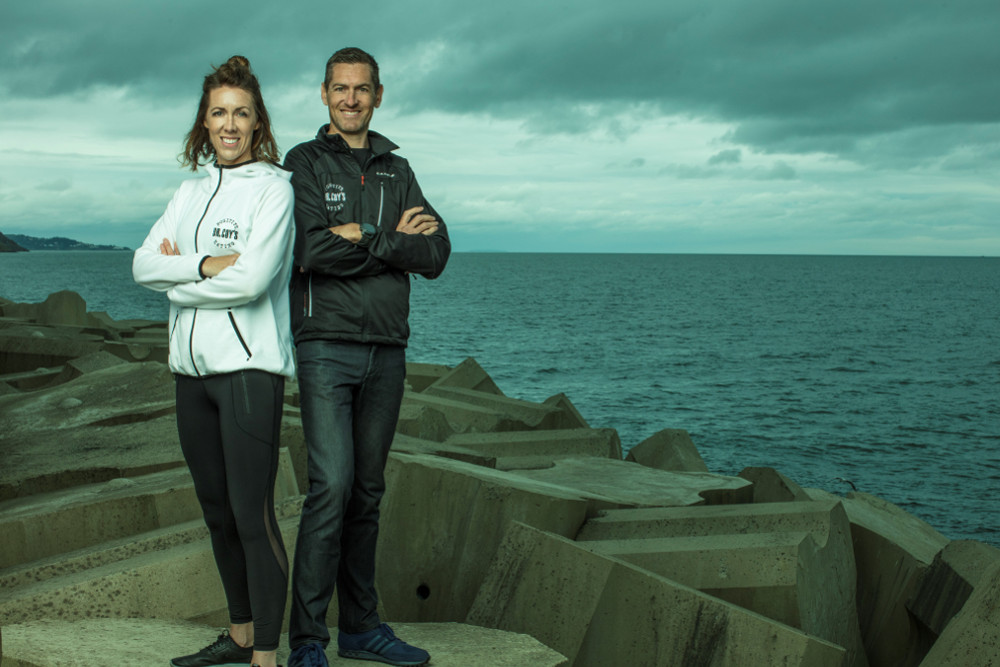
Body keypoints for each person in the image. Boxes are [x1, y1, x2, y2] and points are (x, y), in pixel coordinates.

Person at [284, 47, 450, 667]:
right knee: (331, 487)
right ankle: (307, 639)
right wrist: (396, 243)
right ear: (324, 94)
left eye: (362, 89)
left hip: (387, 350)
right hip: (324, 347)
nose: (351, 99)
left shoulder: (397, 169)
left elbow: (437, 255)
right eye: (340, 88)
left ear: (379, 95)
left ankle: (360, 628)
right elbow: (310, 253)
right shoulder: (302, 162)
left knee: (369, 492)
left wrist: (365, 236)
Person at [132, 55, 295, 667]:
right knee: (217, 513)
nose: (230, 125)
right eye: (219, 113)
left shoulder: (275, 190)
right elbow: (142, 265)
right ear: (204, 124)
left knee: (254, 517)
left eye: (241, 114)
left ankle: (267, 657)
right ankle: (240, 635)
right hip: (190, 376)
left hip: (249, 373)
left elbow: (252, 282)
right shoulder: (188, 191)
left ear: (258, 123)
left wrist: (174, 279)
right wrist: (201, 267)